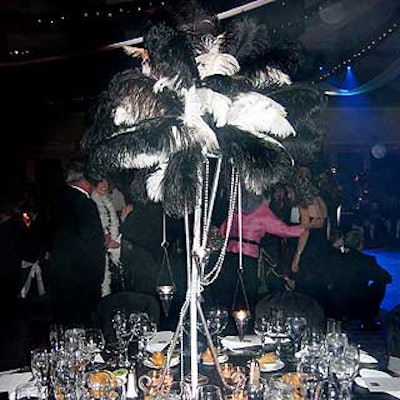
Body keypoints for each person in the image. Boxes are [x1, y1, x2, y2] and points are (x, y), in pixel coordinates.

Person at [208, 193, 304, 330]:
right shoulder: (262, 212)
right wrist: (305, 229)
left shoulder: (236, 209)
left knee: (230, 294)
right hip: (248, 257)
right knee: (248, 295)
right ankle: (245, 329)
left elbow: (223, 230)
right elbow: (284, 230)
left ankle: (228, 328)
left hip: (230, 256)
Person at [49, 158, 106, 327]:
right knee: (84, 322)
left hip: (60, 271)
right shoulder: (85, 203)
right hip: (82, 277)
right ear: (87, 181)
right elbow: (91, 239)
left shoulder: (58, 200)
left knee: (65, 321)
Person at [336, 230, 392, 329]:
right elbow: (387, 278)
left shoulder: (336, 257)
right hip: (359, 304)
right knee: (380, 284)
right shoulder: (366, 260)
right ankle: (368, 320)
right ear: (360, 245)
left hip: (337, 302)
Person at [91, 178, 132, 296]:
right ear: (94, 184)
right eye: (101, 182)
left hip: (111, 252)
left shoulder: (106, 201)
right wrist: (107, 243)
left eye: (106, 182)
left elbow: (111, 225)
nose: (105, 185)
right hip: (100, 253)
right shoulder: (92, 203)